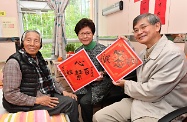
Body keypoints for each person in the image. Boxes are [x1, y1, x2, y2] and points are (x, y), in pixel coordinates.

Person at [93, 13, 187, 122]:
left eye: (143, 27)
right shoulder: (144, 52)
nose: (139, 32)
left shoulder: (172, 54)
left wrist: (125, 84)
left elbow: (153, 92)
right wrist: (124, 46)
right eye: (136, 30)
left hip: (163, 107)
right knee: (99, 117)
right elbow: (132, 63)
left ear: (157, 26)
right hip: (141, 100)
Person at [2, 30, 79, 122]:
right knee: (70, 103)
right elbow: (10, 94)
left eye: (36, 41)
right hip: (24, 103)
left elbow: (49, 79)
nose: (32, 44)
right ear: (23, 42)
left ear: (40, 44)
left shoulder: (38, 57)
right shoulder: (14, 62)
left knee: (72, 97)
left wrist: (63, 92)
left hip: (43, 92)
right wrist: (36, 100)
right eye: (28, 40)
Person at [74, 18, 114, 122]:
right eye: (82, 33)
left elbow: (111, 71)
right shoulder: (78, 51)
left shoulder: (102, 49)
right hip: (85, 83)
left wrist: (102, 73)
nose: (85, 36)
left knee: (84, 101)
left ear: (93, 34)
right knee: (73, 99)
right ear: (78, 35)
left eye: (88, 33)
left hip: (101, 84)